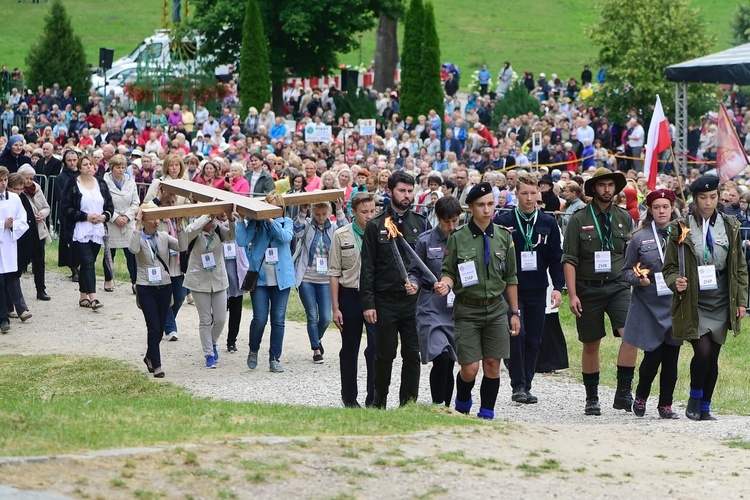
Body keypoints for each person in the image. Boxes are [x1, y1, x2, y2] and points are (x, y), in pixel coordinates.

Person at [663, 176, 748, 420]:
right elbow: (669, 267)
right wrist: (674, 282)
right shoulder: (682, 227)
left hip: (722, 295)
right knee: (702, 350)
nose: (708, 203)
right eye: (703, 198)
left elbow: (740, 267)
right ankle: (694, 396)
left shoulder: (729, 225)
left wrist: (741, 300)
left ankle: (705, 405)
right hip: (694, 298)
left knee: (714, 354)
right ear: (694, 199)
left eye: (713, 197)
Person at [434, 183, 520, 420]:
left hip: (495, 309)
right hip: (467, 310)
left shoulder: (504, 237)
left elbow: (511, 277)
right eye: (481, 205)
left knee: (493, 364)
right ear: (470, 207)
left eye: (490, 204)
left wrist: (514, 312)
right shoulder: (458, 238)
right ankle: (463, 403)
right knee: (470, 368)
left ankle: (487, 413)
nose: (486, 210)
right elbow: (449, 271)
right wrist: (446, 285)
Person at [562, 167, 636, 416]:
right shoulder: (578, 219)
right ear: (593, 189)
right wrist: (572, 295)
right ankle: (591, 397)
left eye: (611, 185)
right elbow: (569, 259)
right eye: (602, 185)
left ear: (616, 189)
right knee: (591, 343)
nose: (607, 190)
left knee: (631, 335)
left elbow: (629, 255)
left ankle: (623, 392)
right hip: (587, 288)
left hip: (618, 286)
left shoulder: (624, 217)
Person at [360, 170, 430, 408]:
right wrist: (368, 303)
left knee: (412, 354)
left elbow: (426, 264)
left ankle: (408, 402)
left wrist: (419, 284)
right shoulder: (375, 225)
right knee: (385, 354)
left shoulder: (420, 224)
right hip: (385, 300)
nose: (407, 195)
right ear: (389, 191)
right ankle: (379, 398)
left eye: (410, 191)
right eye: (402, 190)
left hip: (412, 302)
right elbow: (367, 268)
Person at [494, 172, 564, 404]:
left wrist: (557, 287)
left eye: (533, 193)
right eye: (524, 193)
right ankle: (518, 385)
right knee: (517, 334)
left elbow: (555, 258)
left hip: (538, 288)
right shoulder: (504, 222)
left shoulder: (547, 222)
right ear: (516, 194)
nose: (529, 198)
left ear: (539, 195)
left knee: (534, 338)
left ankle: (528, 383)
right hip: (512, 289)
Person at [622, 189, 682, 419]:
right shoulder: (639, 237)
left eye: (665, 207)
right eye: (656, 207)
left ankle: (665, 404)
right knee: (652, 356)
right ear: (650, 210)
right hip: (649, 307)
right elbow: (625, 271)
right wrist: (639, 279)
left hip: (675, 305)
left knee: (671, 359)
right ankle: (641, 397)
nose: (661, 211)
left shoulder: (682, 235)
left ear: (672, 208)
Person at [409, 196, 461, 406]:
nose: (451, 226)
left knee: (449, 360)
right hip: (430, 305)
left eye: (455, 221)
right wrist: (413, 284)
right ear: (438, 218)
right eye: (446, 221)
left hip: (456, 305)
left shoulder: (465, 239)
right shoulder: (425, 240)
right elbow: (414, 271)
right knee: (439, 355)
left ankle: (446, 406)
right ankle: (437, 403)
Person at [235, 191, 295, 373]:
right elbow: (242, 240)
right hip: (260, 280)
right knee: (260, 319)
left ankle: (274, 358)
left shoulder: (286, 222)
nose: (272, 211)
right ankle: (254, 349)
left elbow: (285, 237)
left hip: (281, 280)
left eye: (276, 207)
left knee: (278, 320)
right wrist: (240, 221)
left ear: (281, 208)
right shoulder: (256, 223)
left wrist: (271, 220)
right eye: (268, 207)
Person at [329, 192, 378, 408]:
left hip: (375, 298)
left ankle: (374, 397)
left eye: (372, 211)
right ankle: (349, 398)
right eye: (364, 212)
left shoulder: (380, 233)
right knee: (350, 348)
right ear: (353, 212)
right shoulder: (341, 235)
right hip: (350, 295)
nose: (369, 216)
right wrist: (335, 307)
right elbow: (334, 272)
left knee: (376, 348)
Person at [130, 203, 182, 378]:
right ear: (144, 220)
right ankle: (157, 365)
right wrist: (137, 227)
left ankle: (149, 356)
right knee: (153, 327)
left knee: (159, 328)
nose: (156, 222)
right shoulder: (138, 236)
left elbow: (181, 246)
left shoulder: (164, 236)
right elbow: (133, 249)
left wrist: (180, 227)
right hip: (146, 287)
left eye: (158, 217)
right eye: (152, 218)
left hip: (164, 285)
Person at [293, 199, 347, 363]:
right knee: (312, 315)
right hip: (307, 277)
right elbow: (296, 232)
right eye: (317, 214)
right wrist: (303, 213)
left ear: (329, 213)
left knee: (325, 317)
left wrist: (339, 210)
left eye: (324, 214)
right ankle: (316, 349)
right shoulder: (308, 224)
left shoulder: (334, 229)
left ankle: (317, 338)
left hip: (325, 279)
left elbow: (346, 231)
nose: (321, 217)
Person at [179, 212, 233, 369]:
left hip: (218, 280)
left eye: (212, 218)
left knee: (221, 319)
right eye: (209, 219)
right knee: (205, 319)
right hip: (199, 281)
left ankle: (213, 342)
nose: (211, 221)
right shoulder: (194, 230)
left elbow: (231, 236)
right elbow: (191, 230)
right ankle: (208, 354)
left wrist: (231, 219)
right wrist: (207, 215)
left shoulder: (217, 230)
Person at [60, 155, 114, 310]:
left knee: (88, 263)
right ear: (79, 167)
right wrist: (85, 216)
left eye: (91, 164)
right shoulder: (72, 184)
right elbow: (65, 207)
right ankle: (94, 298)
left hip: (97, 229)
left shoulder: (101, 183)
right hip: (80, 229)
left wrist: (104, 216)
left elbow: (110, 206)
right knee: (88, 262)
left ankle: (83, 297)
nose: (89, 167)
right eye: (85, 165)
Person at [103, 154, 139, 293]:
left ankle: (135, 282)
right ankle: (108, 279)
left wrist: (127, 216)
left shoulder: (131, 182)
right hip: (112, 221)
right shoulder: (104, 182)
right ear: (112, 168)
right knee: (109, 252)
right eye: (118, 167)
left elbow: (136, 202)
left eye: (123, 167)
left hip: (127, 222)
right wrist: (115, 217)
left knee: (131, 253)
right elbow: (103, 203)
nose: (121, 170)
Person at [17, 165, 51, 300]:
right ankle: (15, 291)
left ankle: (41, 289)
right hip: (25, 232)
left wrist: (42, 214)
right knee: (21, 263)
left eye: (32, 178)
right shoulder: (17, 191)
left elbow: (46, 207)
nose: (30, 181)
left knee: (39, 262)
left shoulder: (37, 188)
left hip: (39, 230)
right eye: (27, 178)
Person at [219, 210, 249, 353]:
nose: (224, 213)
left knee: (236, 311)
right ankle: (212, 340)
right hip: (220, 274)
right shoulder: (212, 225)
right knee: (218, 312)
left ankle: (232, 341)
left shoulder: (240, 223)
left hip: (237, 274)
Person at [4, 173, 32, 324]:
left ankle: (15, 308)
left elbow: (26, 221)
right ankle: (18, 308)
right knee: (9, 277)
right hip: (6, 241)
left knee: (13, 276)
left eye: (21, 189)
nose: (19, 192)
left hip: (17, 242)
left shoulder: (21, 200)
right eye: (16, 189)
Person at [56, 149, 80, 282]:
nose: (72, 163)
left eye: (74, 160)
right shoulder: (61, 177)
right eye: (69, 160)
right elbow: (61, 197)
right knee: (68, 242)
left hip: (82, 212)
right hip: (67, 214)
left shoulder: (81, 174)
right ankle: (74, 269)